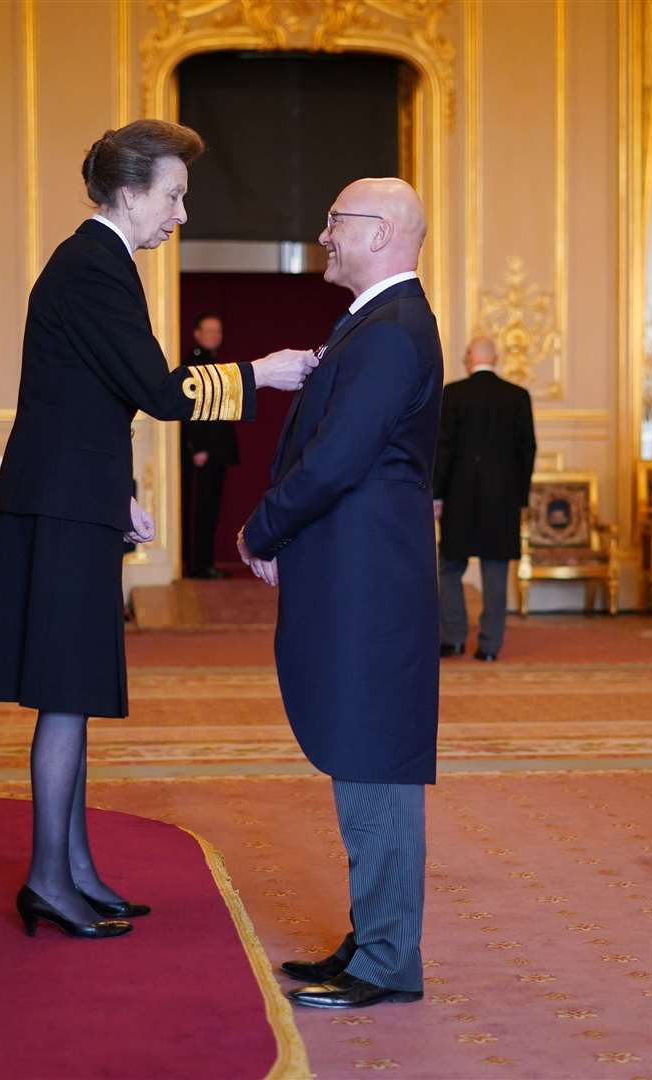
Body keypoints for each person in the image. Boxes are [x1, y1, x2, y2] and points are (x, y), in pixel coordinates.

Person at [0, 120, 317, 939]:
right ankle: (49, 881)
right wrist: (258, 374)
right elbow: (158, 391)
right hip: (58, 510)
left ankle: (74, 870)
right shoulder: (95, 265)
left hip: (72, 499)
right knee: (65, 694)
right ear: (130, 192)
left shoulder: (96, 263)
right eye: (174, 195)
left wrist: (118, 490)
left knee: (76, 692)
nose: (180, 214)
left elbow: (88, 399)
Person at [239, 177, 442, 1010]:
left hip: (371, 590)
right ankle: (375, 938)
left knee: (377, 764)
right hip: (359, 581)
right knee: (364, 759)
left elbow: (337, 460)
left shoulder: (393, 333)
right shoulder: (376, 325)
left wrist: (262, 529)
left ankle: (389, 959)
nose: (324, 235)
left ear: (383, 232)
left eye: (336, 222)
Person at [432, 335, 535, 661]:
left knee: (448, 569)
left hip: (459, 498)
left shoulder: (454, 394)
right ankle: (489, 647)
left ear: (469, 358)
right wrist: (519, 498)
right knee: (495, 573)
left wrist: (436, 495)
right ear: (496, 358)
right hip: (502, 501)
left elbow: (443, 450)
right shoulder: (518, 396)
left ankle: (454, 638)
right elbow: (527, 451)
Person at [181, 313, 241, 578]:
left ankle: (205, 563)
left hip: (215, 450)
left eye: (218, 331)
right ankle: (198, 564)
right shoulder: (194, 365)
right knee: (202, 508)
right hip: (203, 452)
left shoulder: (214, 363)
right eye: (209, 331)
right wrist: (197, 447)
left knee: (210, 508)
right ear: (196, 334)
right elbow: (192, 411)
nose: (215, 336)